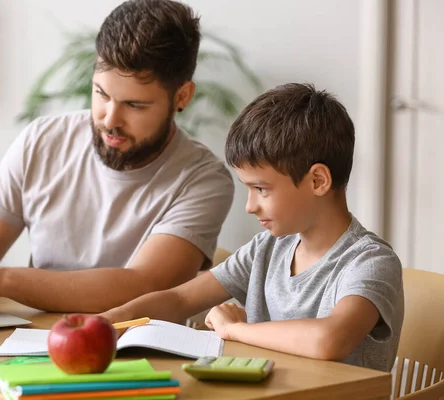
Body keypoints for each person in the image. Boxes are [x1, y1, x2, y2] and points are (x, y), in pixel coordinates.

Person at [0, 0, 234, 313]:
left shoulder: (203, 179)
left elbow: (142, 285)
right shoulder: (43, 140)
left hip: (134, 352)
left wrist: (2, 280)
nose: (110, 119)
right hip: (29, 341)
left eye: (134, 105)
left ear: (182, 96)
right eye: (101, 94)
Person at [101, 83, 404, 372]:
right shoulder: (267, 249)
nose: (250, 206)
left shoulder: (370, 262)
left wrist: (237, 330)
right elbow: (179, 299)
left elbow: (330, 340)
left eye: (261, 189)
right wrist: (110, 320)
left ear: (317, 181)